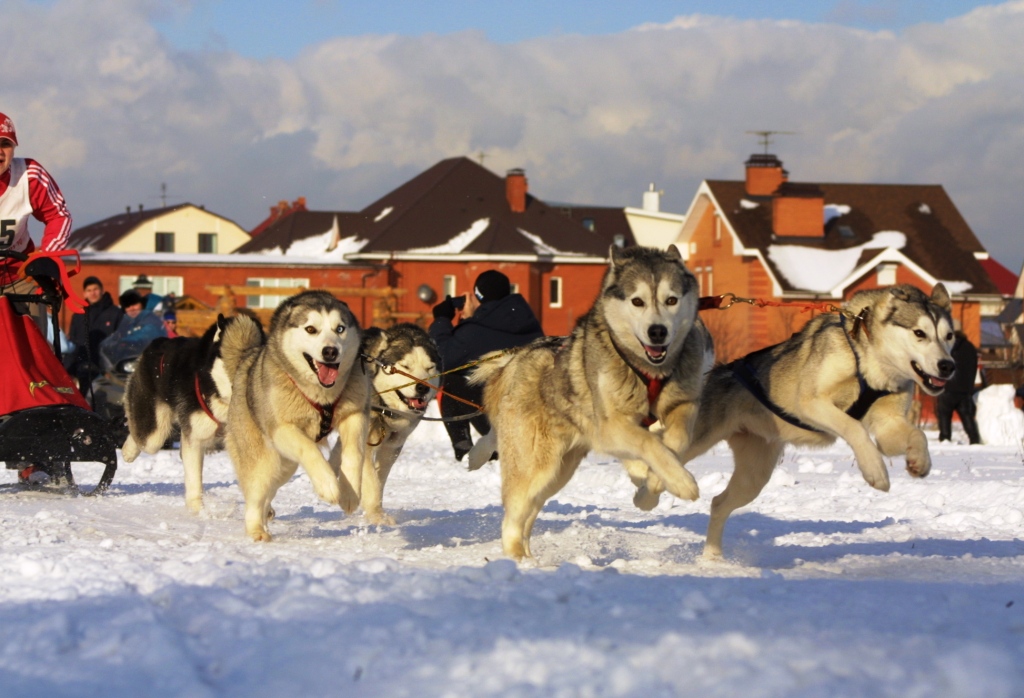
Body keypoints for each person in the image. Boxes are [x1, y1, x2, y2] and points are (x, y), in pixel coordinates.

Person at [428, 270, 544, 461]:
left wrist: (442, 320)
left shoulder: (476, 331)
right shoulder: (528, 322)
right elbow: (484, 341)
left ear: (478, 295)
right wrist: (472, 318)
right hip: (532, 415)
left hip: (502, 422)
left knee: (452, 381)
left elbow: (444, 357)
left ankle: (465, 451)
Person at [0, 112, 72, 333]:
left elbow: (59, 216)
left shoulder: (29, 175)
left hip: (20, 275)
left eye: (5, 144)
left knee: (35, 345)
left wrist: (45, 256)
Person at [65, 276, 124, 388]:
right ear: (84, 294)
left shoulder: (115, 313)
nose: (93, 293)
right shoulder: (79, 315)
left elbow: (120, 341)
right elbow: (73, 343)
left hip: (106, 369)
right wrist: (69, 369)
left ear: (102, 290)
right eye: (89, 290)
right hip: (83, 368)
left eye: (95, 289)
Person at [936, 324, 982, 444]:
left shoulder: (948, 347)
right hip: (965, 391)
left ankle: (945, 439)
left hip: (947, 389)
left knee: (944, 416)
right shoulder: (971, 348)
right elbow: (973, 368)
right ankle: (975, 440)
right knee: (967, 417)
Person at [98, 289, 164, 370]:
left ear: (142, 304)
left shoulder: (150, 318)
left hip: (152, 364)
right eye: (127, 306)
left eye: (134, 304)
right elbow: (116, 335)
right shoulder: (126, 322)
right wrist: (106, 344)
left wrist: (124, 341)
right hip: (130, 363)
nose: (132, 308)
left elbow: (146, 333)